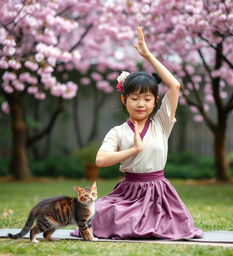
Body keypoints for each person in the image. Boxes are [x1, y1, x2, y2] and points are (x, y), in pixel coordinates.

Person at [71, 27, 203, 240]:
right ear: (124, 100)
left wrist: (147, 55)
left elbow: (174, 85)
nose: (141, 104)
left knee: (155, 222)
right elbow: (101, 160)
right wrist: (133, 150)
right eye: (134, 98)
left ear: (155, 102)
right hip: (127, 193)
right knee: (97, 213)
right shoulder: (118, 132)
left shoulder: (161, 123)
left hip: (158, 194)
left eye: (147, 99)